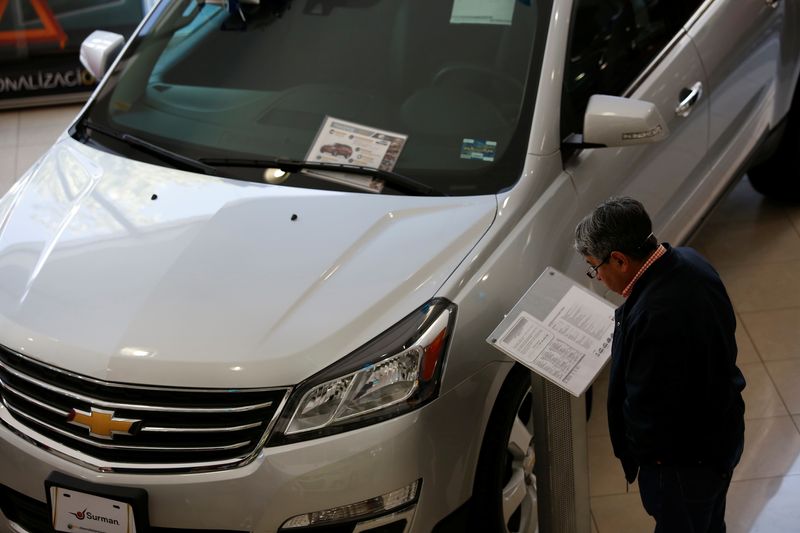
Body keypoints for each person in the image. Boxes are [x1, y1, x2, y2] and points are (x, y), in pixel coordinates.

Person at [573, 197, 745, 533]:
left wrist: (644, 457)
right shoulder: (692, 261)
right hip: (721, 434)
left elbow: (649, 410)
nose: (598, 277)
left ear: (620, 260)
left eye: (595, 268)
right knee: (709, 524)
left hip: (683, 465)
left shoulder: (655, 315)